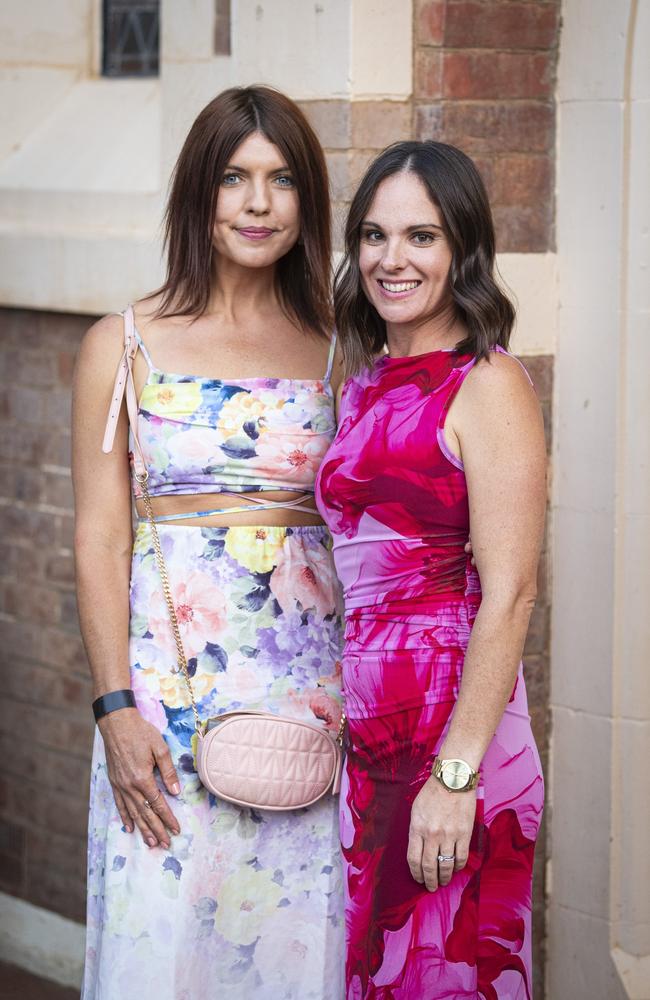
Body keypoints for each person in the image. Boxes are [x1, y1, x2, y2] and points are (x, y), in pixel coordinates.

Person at [72, 85, 345, 999]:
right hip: (162, 707)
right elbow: (101, 532)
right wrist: (114, 708)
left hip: (309, 711)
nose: (259, 204)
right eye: (235, 177)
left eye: (281, 180)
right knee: (163, 944)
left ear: (308, 200)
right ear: (200, 190)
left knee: (292, 952)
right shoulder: (123, 344)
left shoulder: (343, 349)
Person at [316, 141, 546, 999]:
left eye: (421, 236)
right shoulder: (366, 382)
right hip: (373, 744)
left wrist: (455, 776)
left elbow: (513, 590)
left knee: (450, 979)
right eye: (373, 236)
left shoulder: (486, 385)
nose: (391, 259)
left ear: (463, 250)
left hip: (456, 741)